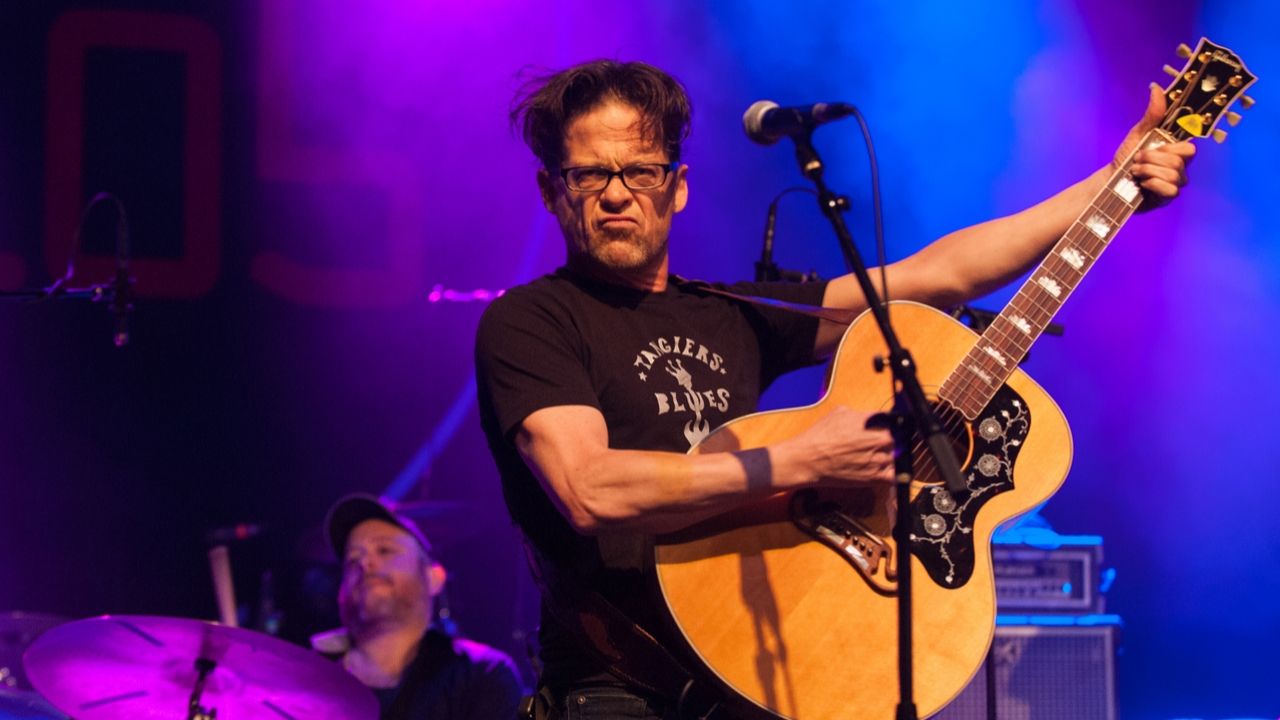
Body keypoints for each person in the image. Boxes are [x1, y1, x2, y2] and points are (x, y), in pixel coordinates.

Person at [474, 60, 1192, 718]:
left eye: (640, 171)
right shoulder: (531, 321)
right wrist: (803, 463)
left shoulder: (732, 314)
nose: (616, 195)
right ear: (551, 190)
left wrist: (1111, 182)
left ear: (678, 186)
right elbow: (588, 488)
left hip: (763, 675)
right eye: (589, 175)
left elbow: (938, 278)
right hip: (621, 689)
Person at [316, 493, 524, 719]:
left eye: (384, 550)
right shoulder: (307, 677)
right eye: (353, 559)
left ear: (433, 577)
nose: (365, 563)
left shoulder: (481, 674)